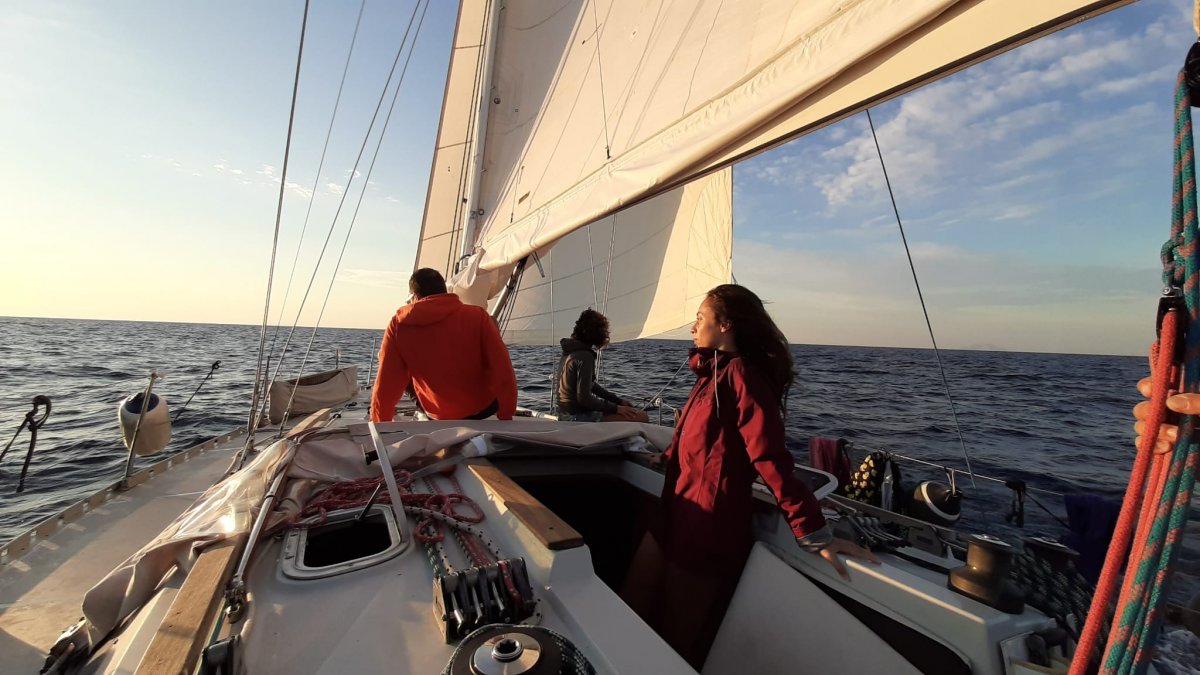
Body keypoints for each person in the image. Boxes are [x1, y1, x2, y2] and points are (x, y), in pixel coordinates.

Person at [620, 284, 877, 668]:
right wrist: (668, 455)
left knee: (674, 636)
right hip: (675, 508)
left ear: (725, 324)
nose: (693, 327)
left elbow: (769, 458)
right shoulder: (711, 372)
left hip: (707, 527)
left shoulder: (743, 375)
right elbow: (694, 434)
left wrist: (813, 531)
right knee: (630, 605)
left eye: (701, 318)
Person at [370, 268, 518, 422]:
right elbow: (502, 367)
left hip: (437, 412)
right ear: (445, 292)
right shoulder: (479, 317)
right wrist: (506, 414)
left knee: (400, 371)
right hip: (482, 410)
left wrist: (380, 422)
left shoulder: (399, 324)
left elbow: (387, 381)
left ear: (415, 296)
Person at [556, 309, 649, 423]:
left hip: (564, 415)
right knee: (642, 416)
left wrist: (618, 401)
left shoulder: (570, 350)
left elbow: (590, 385)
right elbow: (584, 398)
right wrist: (616, 408)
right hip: (577, 418)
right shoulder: (584, 356)